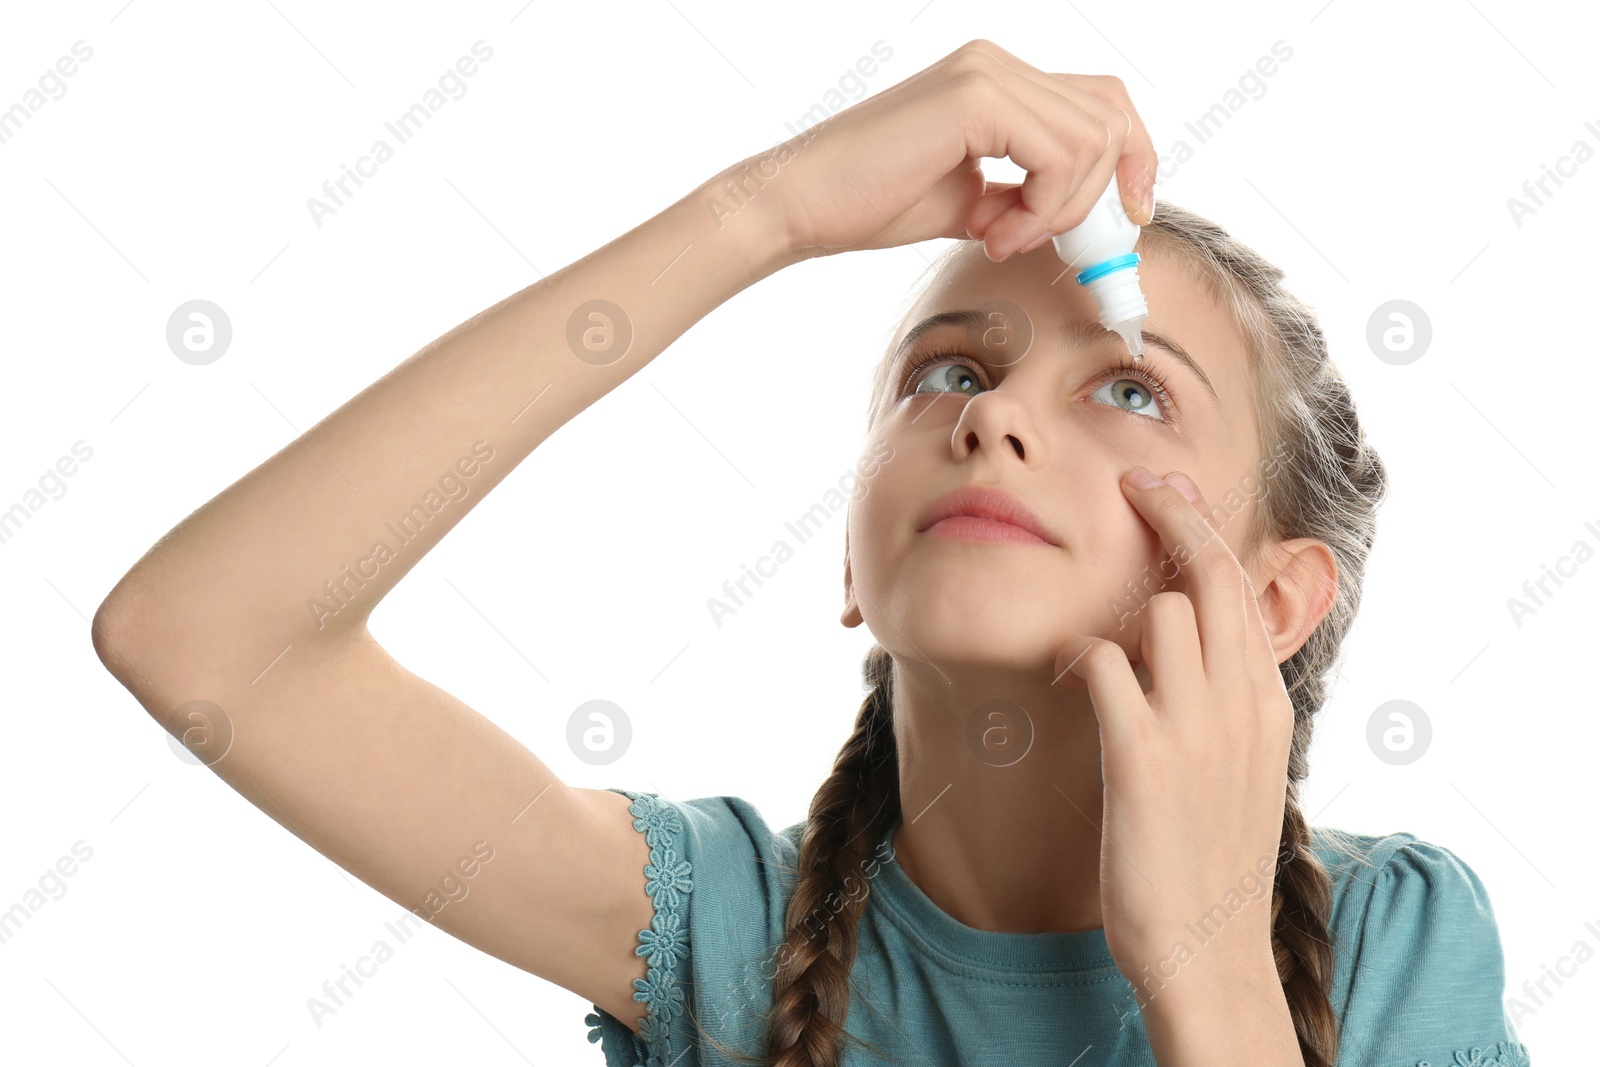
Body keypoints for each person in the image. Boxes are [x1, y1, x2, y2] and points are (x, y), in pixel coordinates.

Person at [92, 39, 1528, 1067]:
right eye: (949, 375)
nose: (996, 421)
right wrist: (765, 211)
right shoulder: (730, 935)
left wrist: (1205, 971)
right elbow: (206, 639)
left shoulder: (1398, 947)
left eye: (1131, 387)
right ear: (854, 568)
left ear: (1273, 598)